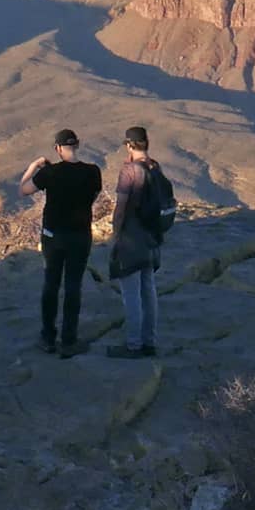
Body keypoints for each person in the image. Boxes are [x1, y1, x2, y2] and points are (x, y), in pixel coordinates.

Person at [18, 127, 104, 358]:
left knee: (51, 284)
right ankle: (68, 340)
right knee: (73, 286)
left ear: (57, 149)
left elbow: (23, 190)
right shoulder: (93, 172)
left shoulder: (50, 173)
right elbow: (93, 197)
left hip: (53, 236)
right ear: (77, 145)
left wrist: (34, 166)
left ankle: (47, 337)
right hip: (80, 236)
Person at [103, 124, 175, 358]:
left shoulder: (130, 171)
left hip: (132, 241)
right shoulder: (155, 167)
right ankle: (149, 342)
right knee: (148, 291)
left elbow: (121, 208)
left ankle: (133, 345)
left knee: (131, 295)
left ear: (130, 145)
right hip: (152, 239)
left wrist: (115, 237)